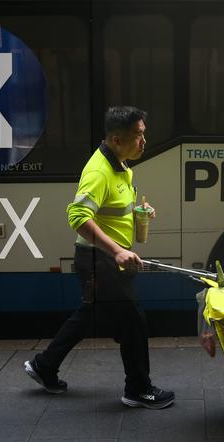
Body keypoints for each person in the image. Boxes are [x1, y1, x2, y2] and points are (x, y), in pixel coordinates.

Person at [24, 106, 175, 409]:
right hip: (100, 261)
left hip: (105, 259)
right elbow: (78, 216)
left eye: (143, 134)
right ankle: (138, 389)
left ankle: (44, 365)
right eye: (138, 136)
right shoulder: (98, 171)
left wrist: (138, 212)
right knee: (133, 322)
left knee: (90, 315)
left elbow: (111, 209)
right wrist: (118, 249)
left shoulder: (121, 165)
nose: (144, 142)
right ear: (117, 139)